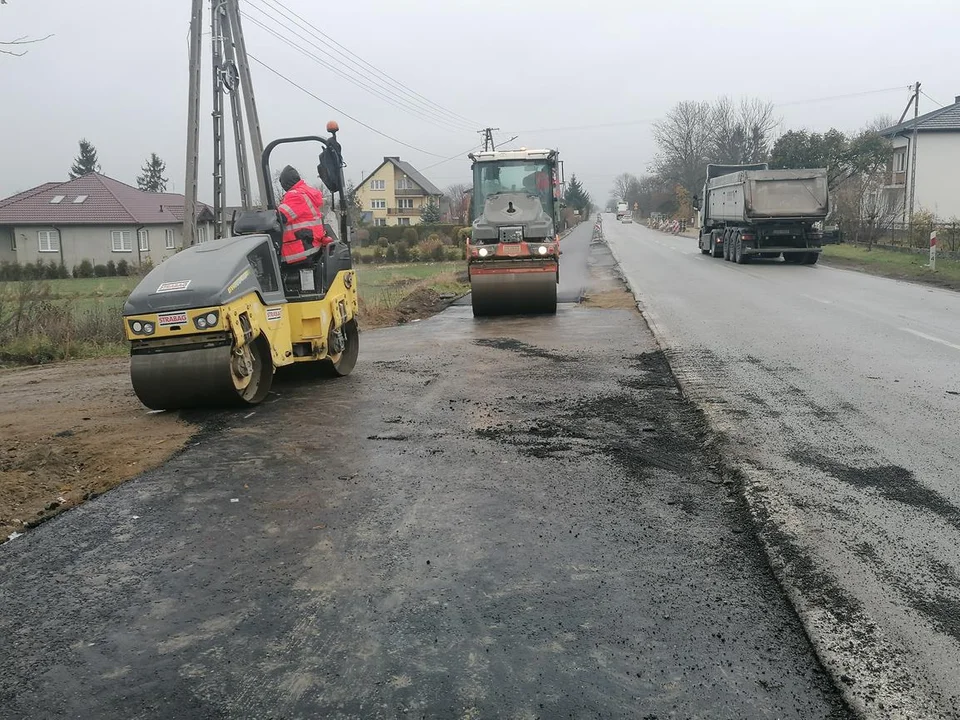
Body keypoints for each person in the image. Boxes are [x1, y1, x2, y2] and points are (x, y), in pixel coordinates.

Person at [276, 165, 331, 264]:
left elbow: (280, 217)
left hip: (300, 250)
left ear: (286, 182)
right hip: (311, 245)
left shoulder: (296, 195)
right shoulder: (306, 193)